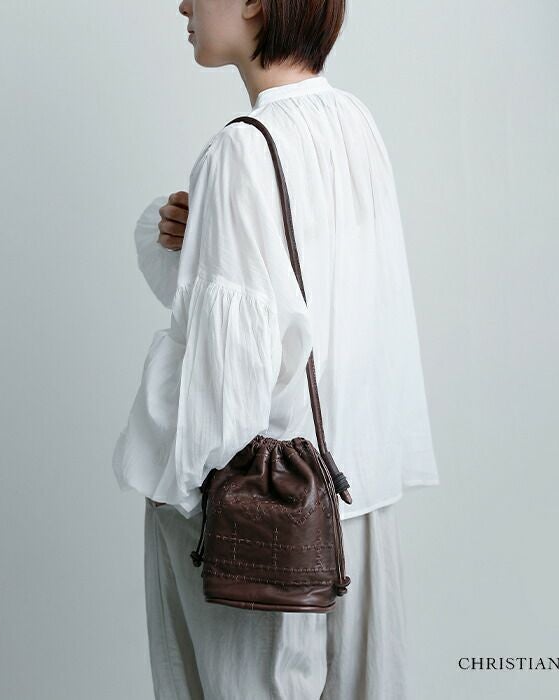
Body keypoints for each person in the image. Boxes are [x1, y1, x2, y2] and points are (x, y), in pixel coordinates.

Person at [111, 0, 439, 697]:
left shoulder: (241, 149)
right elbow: (323, 302)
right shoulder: (352, 122)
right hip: (354, 498)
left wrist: (184, 489)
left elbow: (226, 374)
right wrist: (194, 239)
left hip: (262, 517)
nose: (183, 4)